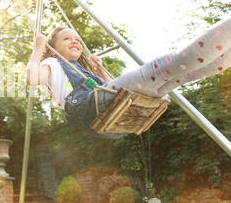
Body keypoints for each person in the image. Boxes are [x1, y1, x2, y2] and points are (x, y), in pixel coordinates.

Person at [27, 15, 231, 139]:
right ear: (53, 49)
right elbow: (32, 78)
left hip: (105, 112)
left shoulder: (81, 70)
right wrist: (38, 49)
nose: (75, 41)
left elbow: (108, 87)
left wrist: (99, 68)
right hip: (89, 108)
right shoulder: (52, 63)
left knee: (180, 76)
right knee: (162, 68)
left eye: (77, 39)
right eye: (66, 39)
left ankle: (225, 58)